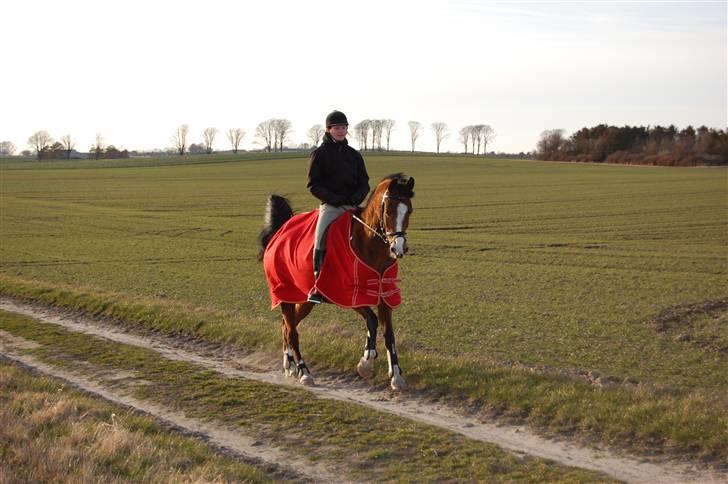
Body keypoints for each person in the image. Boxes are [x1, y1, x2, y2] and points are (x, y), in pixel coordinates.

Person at [306, 110, 370, 303]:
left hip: (352, 205)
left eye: (344, 127)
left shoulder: (354, 155)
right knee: (321, 237)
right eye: (337, 128)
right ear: (328, 129)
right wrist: (335, 199)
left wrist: (356, 198)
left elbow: (364, 182)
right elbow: (313, 185)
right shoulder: (319, 154)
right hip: (331, 206)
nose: (341, 131)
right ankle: (318, 286)